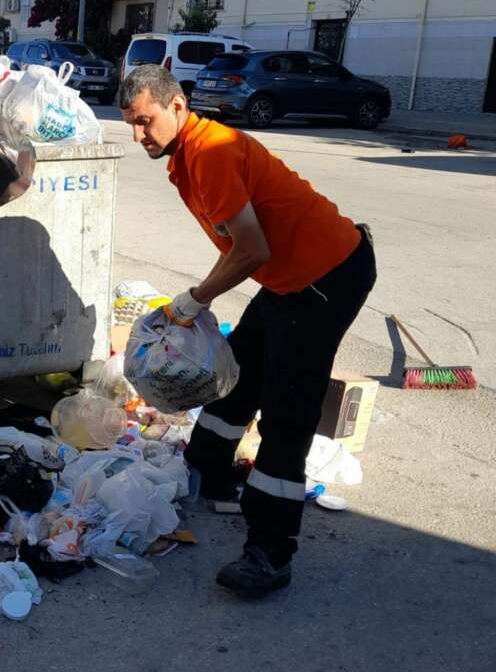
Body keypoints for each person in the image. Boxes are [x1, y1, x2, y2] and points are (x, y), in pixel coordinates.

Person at [119, 65, 376, 596]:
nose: (138, 135)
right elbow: (249, 247)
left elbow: (251, 250)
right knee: (238, 370)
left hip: (326, 275)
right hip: (288, 279)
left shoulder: (211, 153)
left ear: (178, 106)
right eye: (131, 124)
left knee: (288, 410)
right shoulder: (188, 155)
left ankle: (270, 551)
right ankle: (207, 470)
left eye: (146, 122)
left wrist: (195, 299)